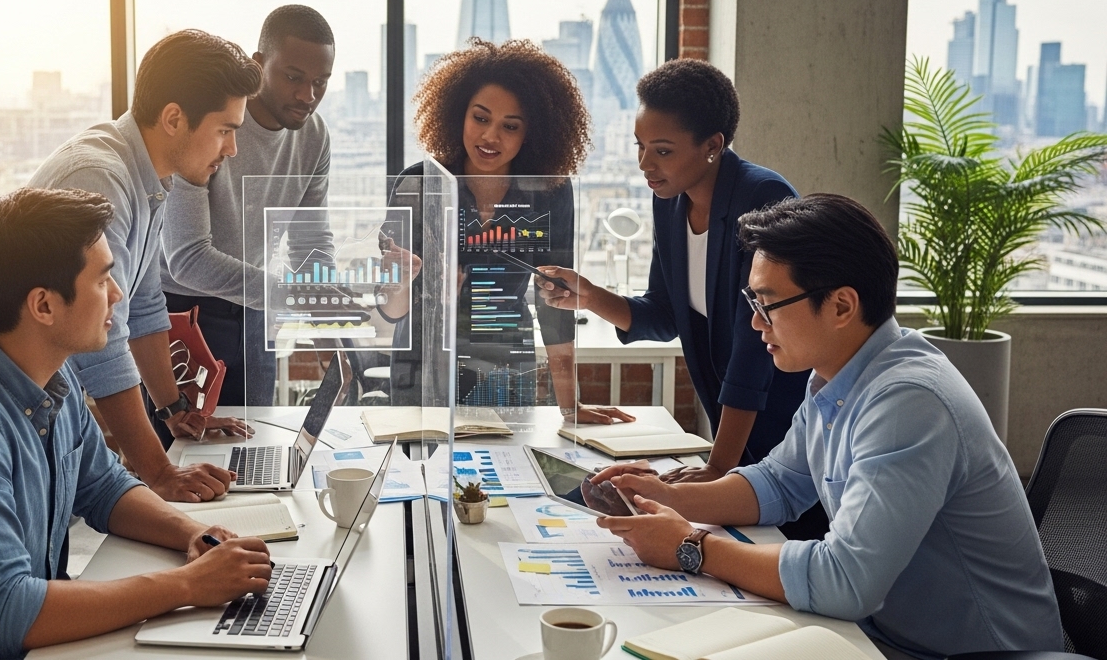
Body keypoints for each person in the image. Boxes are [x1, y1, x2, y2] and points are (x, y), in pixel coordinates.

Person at [589, 194, 1061, 660]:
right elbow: (780, 483)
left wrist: (690, 547)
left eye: (768, 303)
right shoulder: (836, 375)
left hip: (964, 652)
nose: (755, 322)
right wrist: (664, 497)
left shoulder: (909, 402)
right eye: (751, 299)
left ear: (840, 306)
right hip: (879, 633)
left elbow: (846, 581)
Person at [0, 188, 273, 660]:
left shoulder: (51, 373)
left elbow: (105, 487)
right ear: (43, 306)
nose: (118, 294)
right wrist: (186, 585)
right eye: (103, 279)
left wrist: (192, 533)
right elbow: (1, 613)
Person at [0, 30, 260, 503]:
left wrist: (173, 408)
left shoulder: (151, 177)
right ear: (174, 118)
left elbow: (146, 304)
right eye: (225, 130)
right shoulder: (101, 177)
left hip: (38, 393)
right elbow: (100, 341)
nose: (230, 149)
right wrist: (158, 471)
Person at [541, 59, 812, 495]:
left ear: (712, 145)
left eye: (662, 150)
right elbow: (665, 314)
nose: (645, 164)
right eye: (640, 146)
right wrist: (589, 296)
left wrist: (717, 466)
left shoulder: (763, 197)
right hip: (731, 423)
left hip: (785, 419)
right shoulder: (670, 201)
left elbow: (753, 349)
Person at [382, 38, 628, 422]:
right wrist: (402, 281)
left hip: (506, 365)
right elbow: (392, 311)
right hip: (424, 367)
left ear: (531, 132)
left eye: (509, 126)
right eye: (480, 118)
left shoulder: (550, 191)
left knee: (507, 476)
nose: (490, 137)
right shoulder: (419, 184)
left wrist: (570, 407)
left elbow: (556, 305)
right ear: (457, 114)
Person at [162, 5, 335, 408]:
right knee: (186, 452)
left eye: (320, 82)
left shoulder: (315, 136)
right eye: (293, 77)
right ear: (258, 66)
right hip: (184, 309)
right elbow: (186, 258)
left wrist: (325, 305)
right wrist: (294, 298)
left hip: (256, 307)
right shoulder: (209, 125)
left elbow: (311, 237)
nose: (307, 96)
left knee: (256, 442)